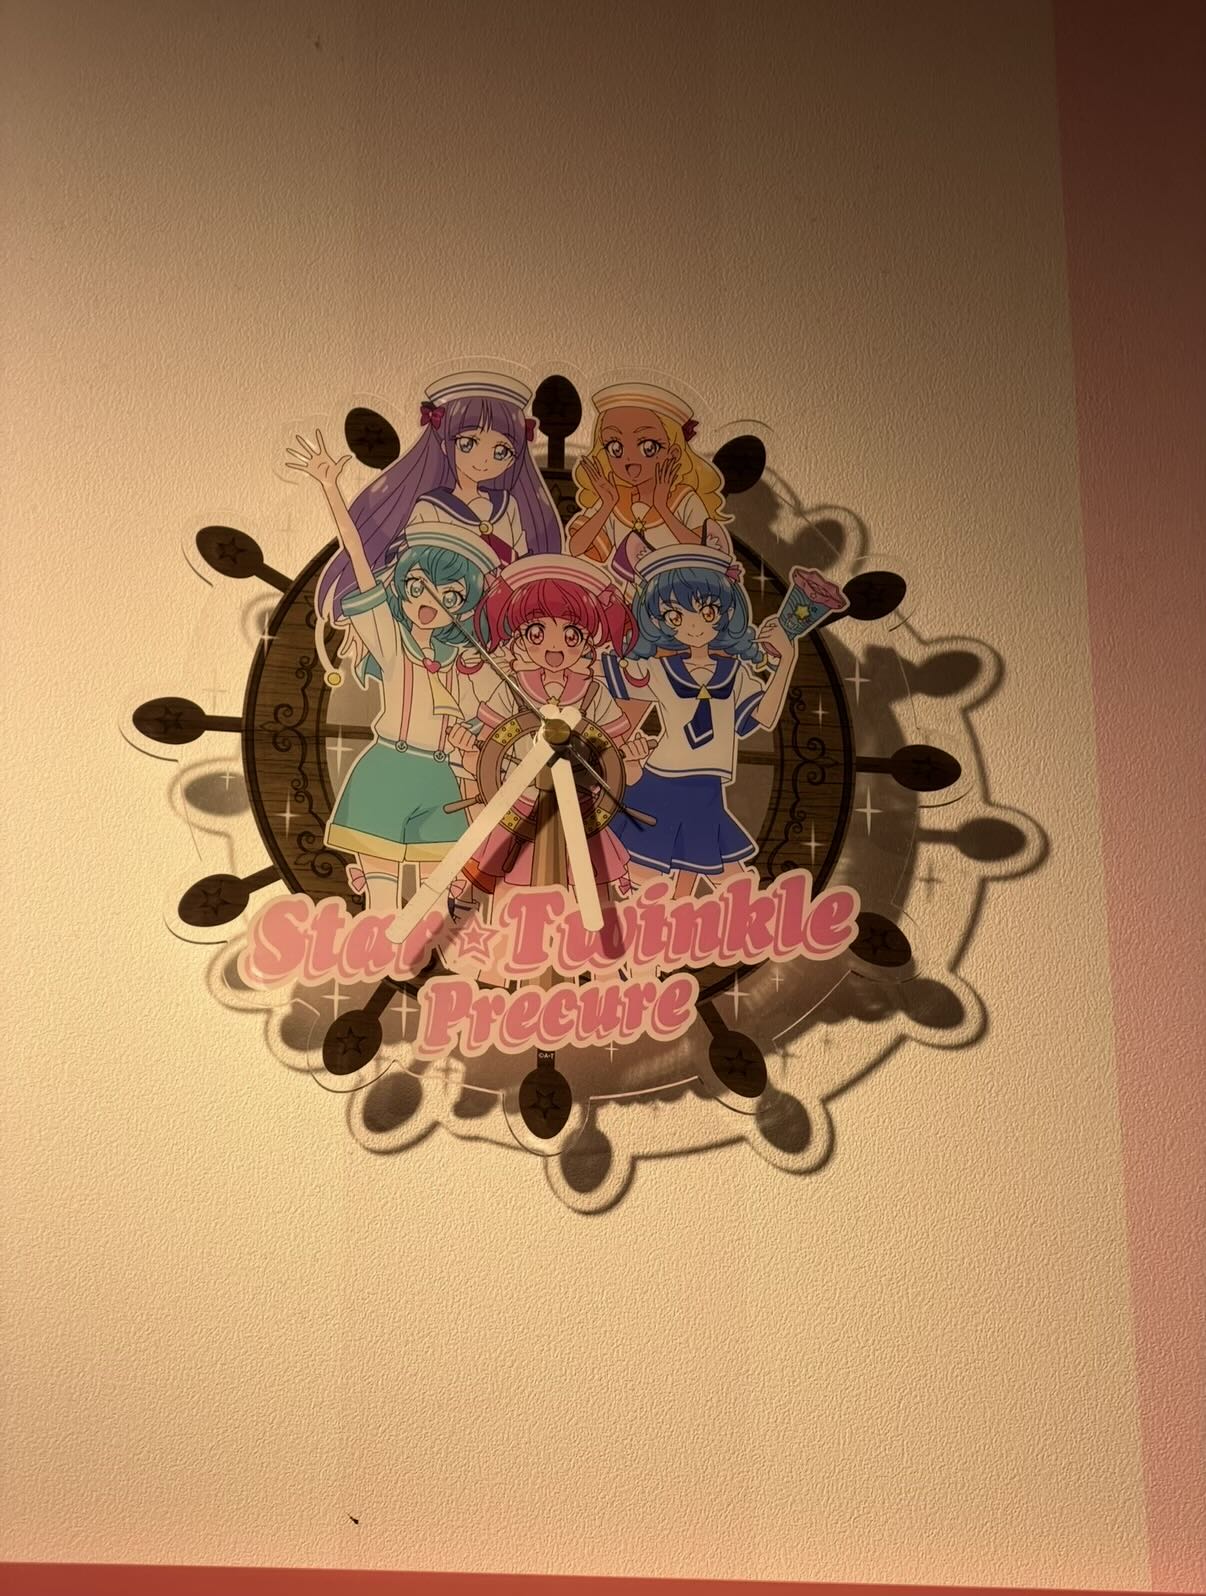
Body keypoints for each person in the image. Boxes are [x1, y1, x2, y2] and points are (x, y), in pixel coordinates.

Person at [600, 546, 797, 899]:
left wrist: (787, 662)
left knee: (729, 882)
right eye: (675, 616)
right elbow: (615, 689)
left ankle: (677, 921)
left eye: (706, 612)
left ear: (725, 613)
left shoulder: (735, 674)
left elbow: (764, 717)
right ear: (658, 620)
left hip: (706, 788)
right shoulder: (657, 670)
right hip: (660, 783)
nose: (693, 625)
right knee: (646, 875)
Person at [567, 380, 732, 588]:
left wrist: (663, 508)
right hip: (627, 602)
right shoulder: (616, 499)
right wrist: (606, 505)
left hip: (680, 602)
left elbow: (705, 557)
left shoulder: (684, 499)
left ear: (673, 453)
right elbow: (576, 547)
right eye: (615, 447)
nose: (630, 461)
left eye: (648, 447)